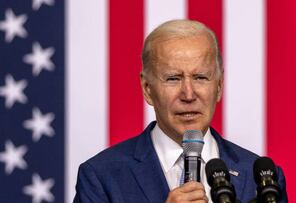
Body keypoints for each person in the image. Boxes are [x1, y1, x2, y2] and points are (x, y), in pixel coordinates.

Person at [74, 20, 288, 203]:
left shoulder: (261, 177)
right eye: (173, 78)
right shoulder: (101, 176)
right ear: (148, 89)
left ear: (219, 86)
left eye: (201, 77)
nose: (188, 94)